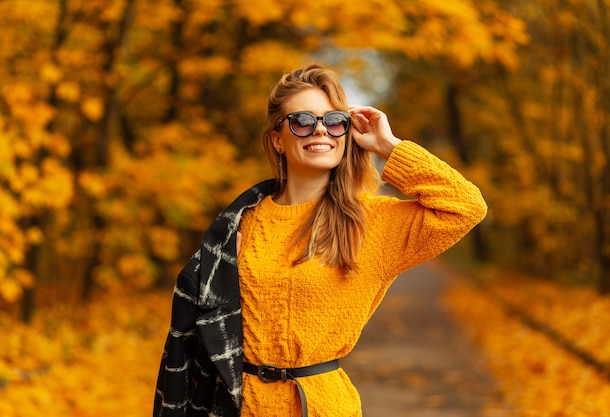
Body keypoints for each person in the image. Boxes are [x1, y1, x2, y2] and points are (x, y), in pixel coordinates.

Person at [153, 64, 488, 417]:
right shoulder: (239, 222)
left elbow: (465, 206)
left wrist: (388, 146)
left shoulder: (371, 222)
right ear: (277, 139)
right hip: (236, 406)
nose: (320, 131)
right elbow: (198, 332)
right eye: (302, 120)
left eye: (333, 121)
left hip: (322, 407)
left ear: (346, 132)